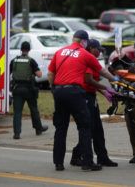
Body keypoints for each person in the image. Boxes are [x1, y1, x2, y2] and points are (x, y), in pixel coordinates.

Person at [48, 30, 118, 172]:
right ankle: (87, 162)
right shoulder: (85, 54)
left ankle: (58, 163)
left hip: (59, 92)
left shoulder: (60, 52)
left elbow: (50, 73)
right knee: (85, 126)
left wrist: (53, 89)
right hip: (75, 92)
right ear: (84, 42)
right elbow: (102, 71)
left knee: (61, 128)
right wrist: (115, 80)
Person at [70, 39, 118, 167]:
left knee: (98, 130)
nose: (100, 52)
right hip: (85, 98)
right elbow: (88, 80)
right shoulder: (88, 60)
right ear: (91, 48)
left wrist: (104, 93)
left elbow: (93, 83)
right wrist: (105, 88)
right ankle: (76, 155)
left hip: (91, 96)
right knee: (89, 130)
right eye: (98, 50)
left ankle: (102, 157)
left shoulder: (91, 59)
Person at [10, 41, 48, 140]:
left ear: (21, 49)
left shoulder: (14, 61)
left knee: (17, 112)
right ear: (29, 49)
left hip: (17, 89)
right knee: (34, 110)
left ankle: (16, 133)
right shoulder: (31, 61)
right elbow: (39, 74)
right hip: (29, 90)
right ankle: (38, 129)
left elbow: (9, 73)